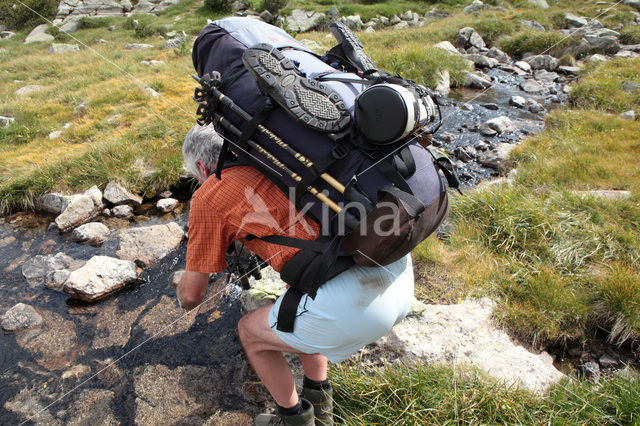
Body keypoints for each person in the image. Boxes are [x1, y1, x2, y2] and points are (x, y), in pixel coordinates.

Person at [177, 123, 415, 426]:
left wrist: (180, 289)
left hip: (360, 307)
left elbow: (191, 296)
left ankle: (293, 419)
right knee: (297, 296)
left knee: (250, 332)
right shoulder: (281, 160)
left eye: (196, 175)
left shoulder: (211, 193)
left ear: (201, 165)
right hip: (396, 273)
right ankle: (320, 401)